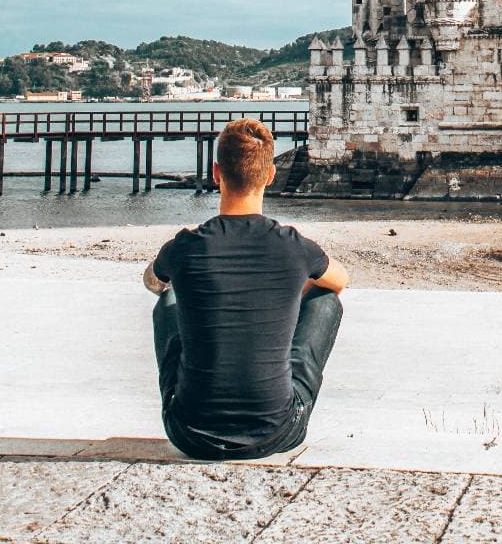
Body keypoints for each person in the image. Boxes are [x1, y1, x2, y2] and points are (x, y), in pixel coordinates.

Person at [143, 118, 348, 460]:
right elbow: (340, 281)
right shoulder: (294, 246)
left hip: (188, 432)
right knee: (327, 301)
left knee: (170, 297)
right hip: (277, 432)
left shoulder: (185, 245)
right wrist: (286, 289)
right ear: (269, 176)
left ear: (216, 173)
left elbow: (153, 281)